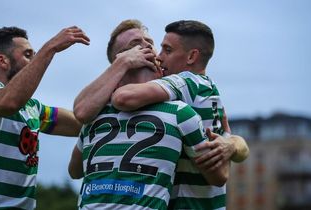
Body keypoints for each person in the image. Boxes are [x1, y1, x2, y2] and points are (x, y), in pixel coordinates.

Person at [73, 20, 249, 210]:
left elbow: (220, 174)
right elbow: (75, 161)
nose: (153, 51)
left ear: (191, 56)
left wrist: (232, 143)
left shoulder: (185, 90)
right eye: (135, 45)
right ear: (119, 60)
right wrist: (231, 142)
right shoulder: (101, 113)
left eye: (157, 46)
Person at [0, 26, 90, 210]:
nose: (34, 60)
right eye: (28, 54)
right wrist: (50, 48)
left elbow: (81, 124)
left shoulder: (32, 108)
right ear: (2, 61)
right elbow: (9, 101)